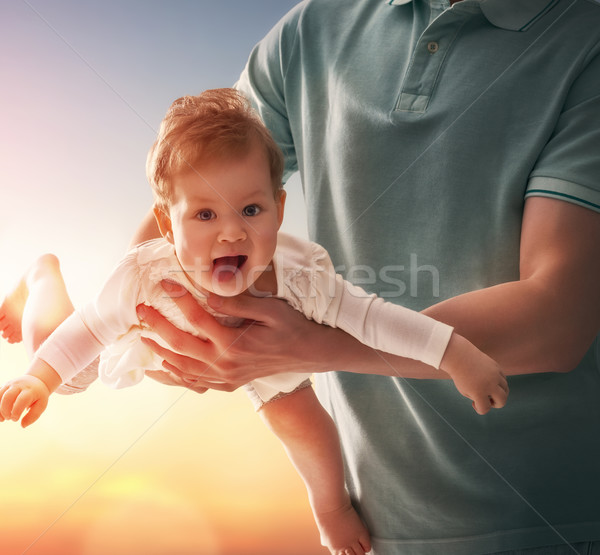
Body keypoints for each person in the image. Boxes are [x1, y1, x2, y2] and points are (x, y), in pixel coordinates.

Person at [126, 1, 600, 554]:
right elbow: (193, 181)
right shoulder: (310, 30)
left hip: (550, 522)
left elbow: (559, 317)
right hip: (375, 530)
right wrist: (181, 327)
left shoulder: (585, 40)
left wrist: (305, 347)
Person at [0, 88, 508, 555]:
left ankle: (330, 506)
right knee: (69, 377)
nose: (231, 235)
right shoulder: (141, 275)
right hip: (145, 333)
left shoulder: (301, 276)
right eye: (204, 215)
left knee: (301, 419)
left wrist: (456, 354)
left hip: (267, 347)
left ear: (280, 208)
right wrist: (38, 378)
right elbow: (86, 330)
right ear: (164, 223)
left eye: (250, 209)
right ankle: (44, 275)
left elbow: (374, 319)